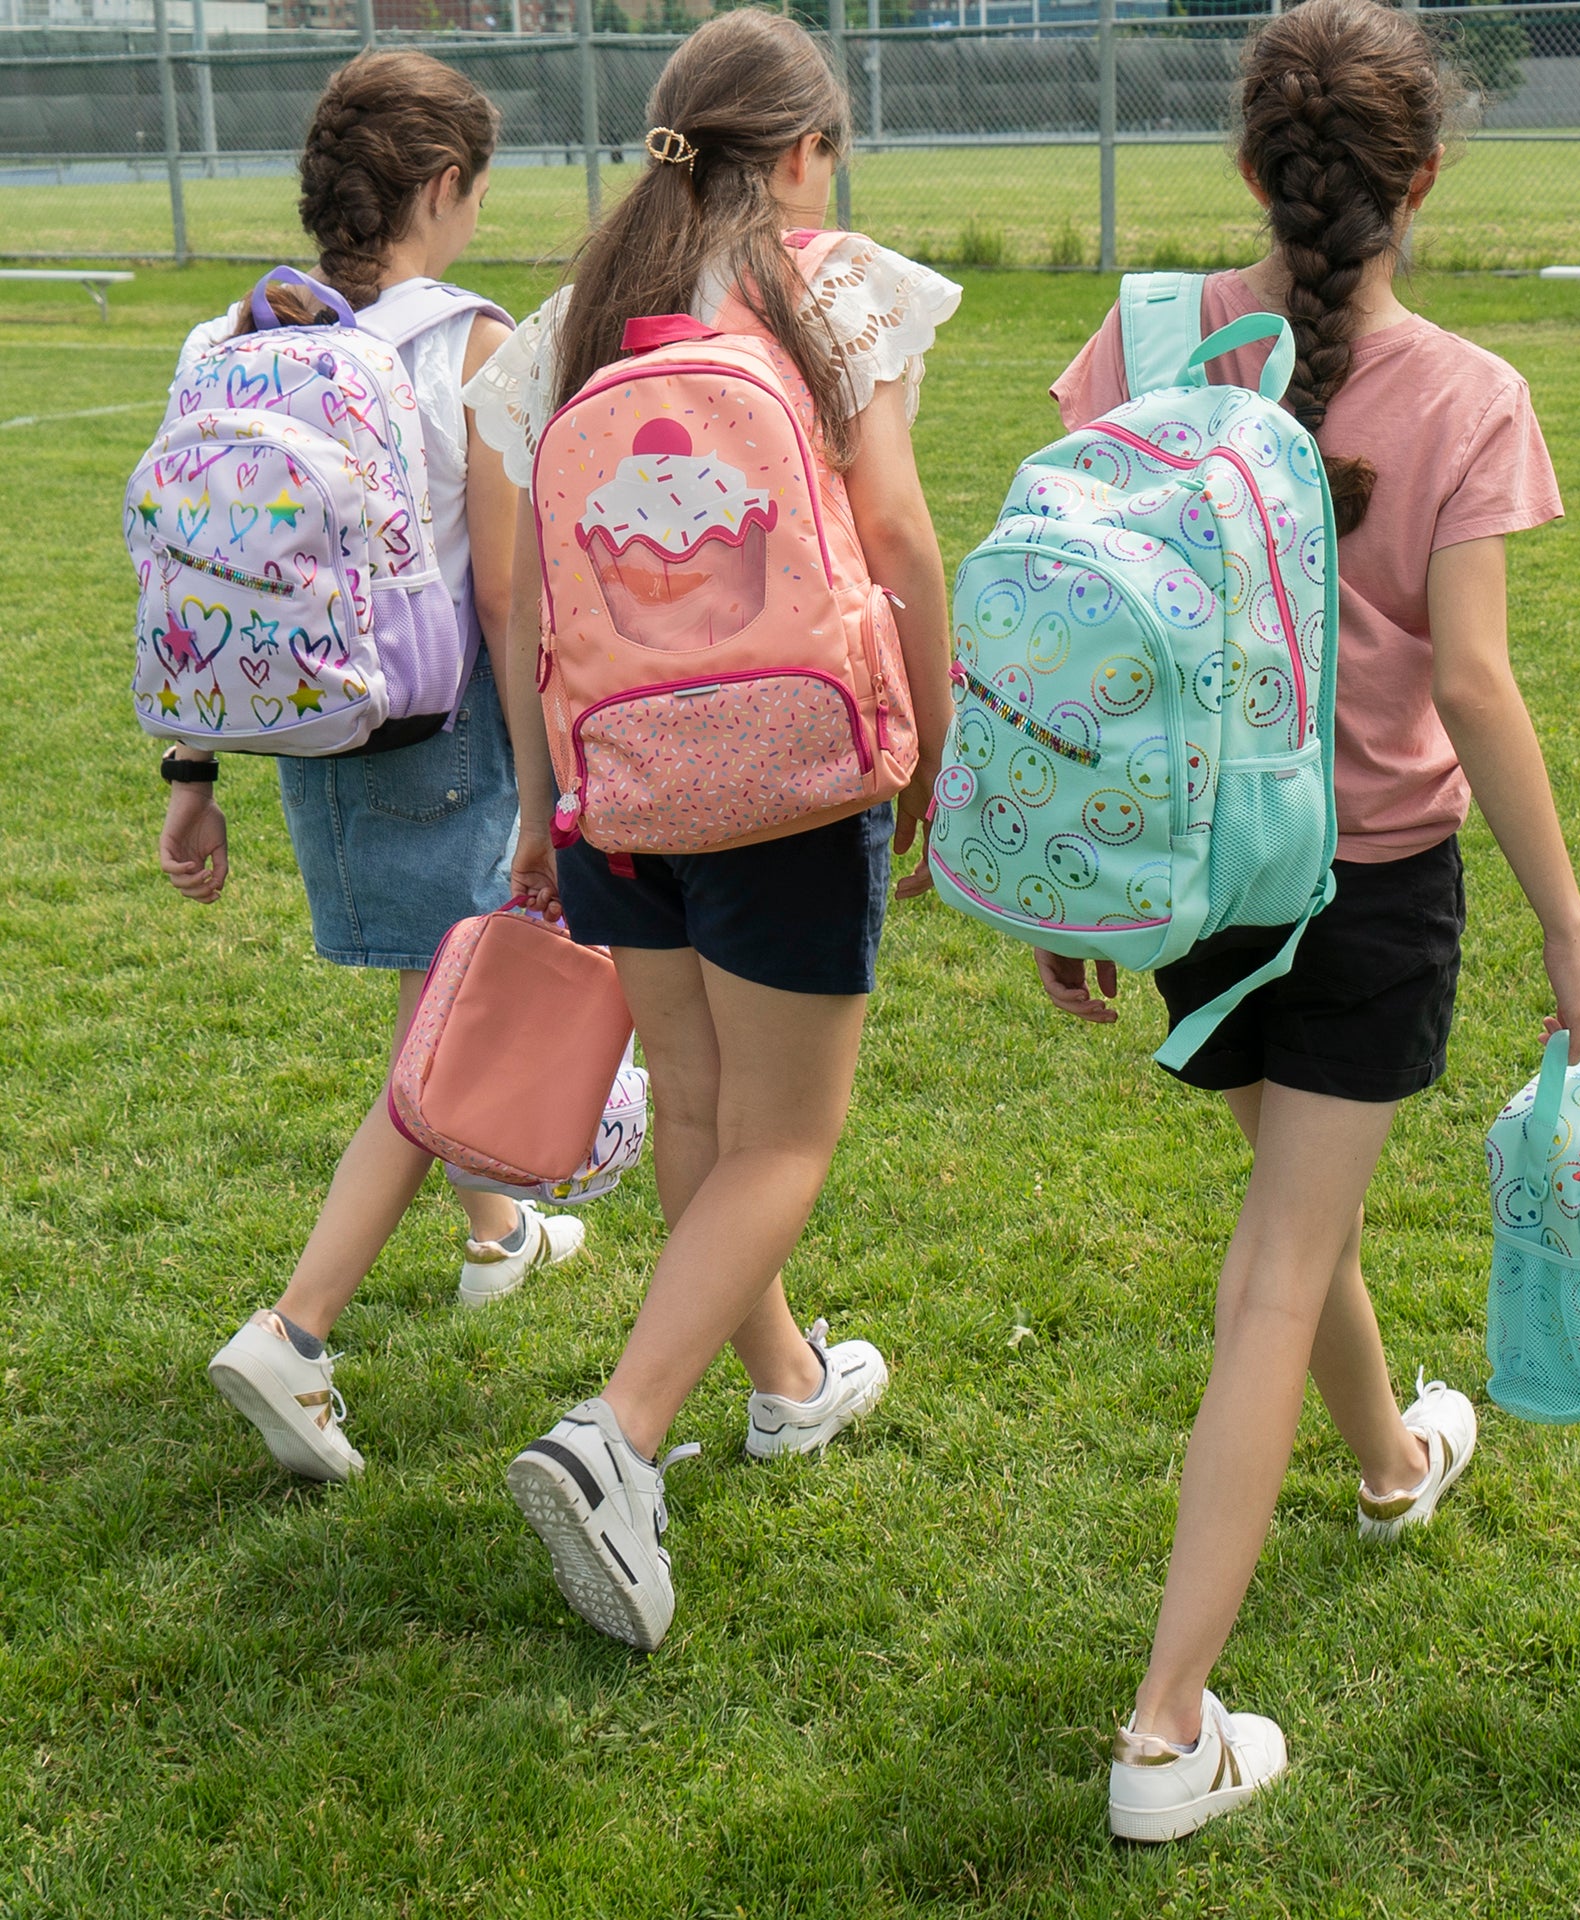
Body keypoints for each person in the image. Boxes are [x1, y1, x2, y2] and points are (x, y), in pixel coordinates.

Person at [1042, 0, 1580, 1841]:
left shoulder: (1145, 344)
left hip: (1193, 883)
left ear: (1247, 169)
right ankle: (1162, 1733)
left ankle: (1388, 1462)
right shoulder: (1465, 394)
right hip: (1366, 894)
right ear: (1424, 175)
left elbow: (1076, 619)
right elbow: (1475, 685)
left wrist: (1067, 870)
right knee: (1281, 1261)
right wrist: (1573, 938)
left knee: (1299, 1199)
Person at [466, 7, 959, 1651]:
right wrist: (929, 750)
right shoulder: (824, 288)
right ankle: (618, 1438)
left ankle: (786, 1385)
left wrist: (544, 805)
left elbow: (530, 580)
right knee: (786, 1140)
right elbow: (894, 532)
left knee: (694, 1103)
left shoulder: (579, 311)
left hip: (620, 781)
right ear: (807, 150)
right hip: (782, 772)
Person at [160, 52, 587, 1487]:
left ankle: (496, 1230)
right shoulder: (472, 342)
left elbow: (196, 570)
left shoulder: (243, 329)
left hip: (303, 730)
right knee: (447, 1034)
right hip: (445, 731)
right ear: (445, 187)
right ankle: (296, 1328)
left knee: (434, 989)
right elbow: (511, 598)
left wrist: (190, 772)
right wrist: (542, 783)